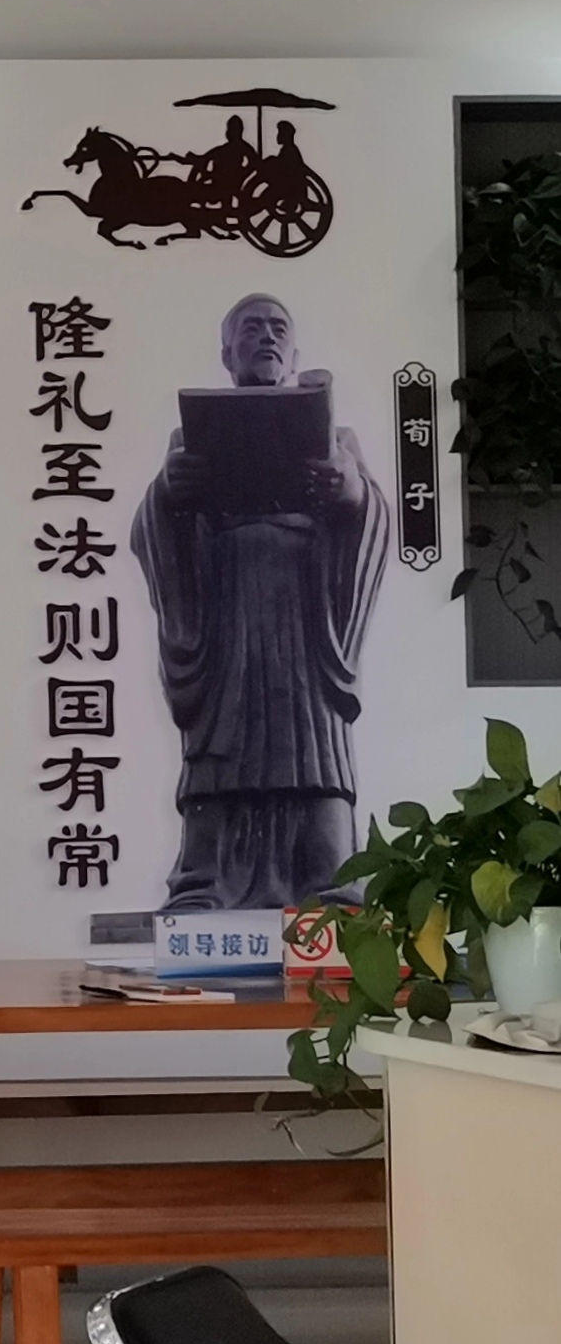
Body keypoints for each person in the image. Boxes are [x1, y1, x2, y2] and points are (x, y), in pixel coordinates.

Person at [133, 294, 385, 907]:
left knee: (315, 743)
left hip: (305, 615)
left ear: (295, 353)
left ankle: (328, 873)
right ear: (227, 354)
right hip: (228, 611)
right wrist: (168, 494)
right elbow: (150, 530)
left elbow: (373, 520)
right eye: (251, 329)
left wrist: (350, 493)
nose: (266, 338)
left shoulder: (338, 439)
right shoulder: (188, 439)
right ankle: (204, 880)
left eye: (278, 328)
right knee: (221, 745)